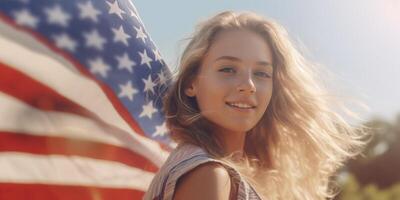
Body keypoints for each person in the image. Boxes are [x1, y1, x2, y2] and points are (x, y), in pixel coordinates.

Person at [144, 11, 368, 200]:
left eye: (261, 73)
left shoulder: (215, 171)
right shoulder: (209, 175)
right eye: (227, 69)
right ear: (191, 83)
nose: (248, 85)